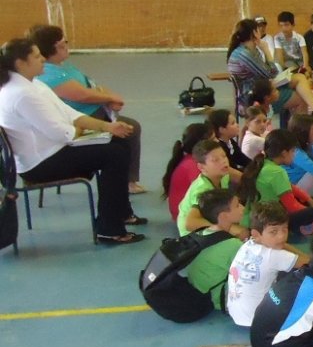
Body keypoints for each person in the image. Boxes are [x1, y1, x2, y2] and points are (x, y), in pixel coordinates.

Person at [0, 39, 144, 244]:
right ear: (21, 63)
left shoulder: (33, 83)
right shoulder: (22, 94)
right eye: (36, 56)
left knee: (119, 144)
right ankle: (110, 229)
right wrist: (86, 130)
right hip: (41, 164)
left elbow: (68, 112)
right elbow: (62, 133)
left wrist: (107, 127)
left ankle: (120, 214)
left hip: (51, 150)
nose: (42, 59)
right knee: (115, 155)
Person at [30, 24, 146, 194]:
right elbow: (82, 95)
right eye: (64, 43)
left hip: (97, 112)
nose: (67, 46)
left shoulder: (65, 65)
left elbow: (91, 84)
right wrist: (110, 98)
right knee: (126, 133)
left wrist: (108, 98)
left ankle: (128, 181)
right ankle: (124, 185)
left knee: (130, 128)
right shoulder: (49, 74)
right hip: (83, 121)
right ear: (55, 47)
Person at [226, 201, 308, 327]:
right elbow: (309, 263)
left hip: (237, 315)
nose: (281, 237)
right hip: (259, 320)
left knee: (284, 268)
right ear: (256, 234)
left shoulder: (248, 244)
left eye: (284, 230)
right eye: (273, 232)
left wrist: (284, 247)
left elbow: (282, 247)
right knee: (304, 275)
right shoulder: (273, 256)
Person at [236, 129, 313, 235]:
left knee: (304, 202)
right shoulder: (277, 172)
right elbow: (292, 206)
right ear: (284, 153)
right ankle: (290, 229)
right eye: (293, 151)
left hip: (252, 219)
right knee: (312, 213)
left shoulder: (263, 163)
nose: (294, 155)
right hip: (266, 222)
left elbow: (290, 187)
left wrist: (309, 199)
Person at [227, 19, 313, 116]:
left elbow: (271, 72)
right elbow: (271, 73)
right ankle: (304, 123)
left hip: (262, 87)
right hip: (255, 97)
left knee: (299, 77)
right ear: (254, 33)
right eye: (258, 29)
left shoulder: (252, 50)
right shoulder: (244, 54)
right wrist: (266, 50)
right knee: (302, 97)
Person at [185, 189, 245, 312]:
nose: (242, 208)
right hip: (218, 299)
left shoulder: (203, 232)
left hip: (199, 292)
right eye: (237, 206)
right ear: (224, 215)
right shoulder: (233, 245)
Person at [177, 139, 245, 238]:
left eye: (224, 156)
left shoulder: (223, 173)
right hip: (192, 233)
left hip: (214, 218)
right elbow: (190, 223)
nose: (223, 161)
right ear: (201, 167)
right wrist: (228, 228)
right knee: (240, 233)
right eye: (215, 160)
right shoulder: (201, 189)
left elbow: (244, 179)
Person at [162, 122, 214, 222]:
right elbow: (205, 195)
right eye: (213, 140)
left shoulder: (190, 159)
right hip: (186, 217)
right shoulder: (194, 165)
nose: (217, 142)